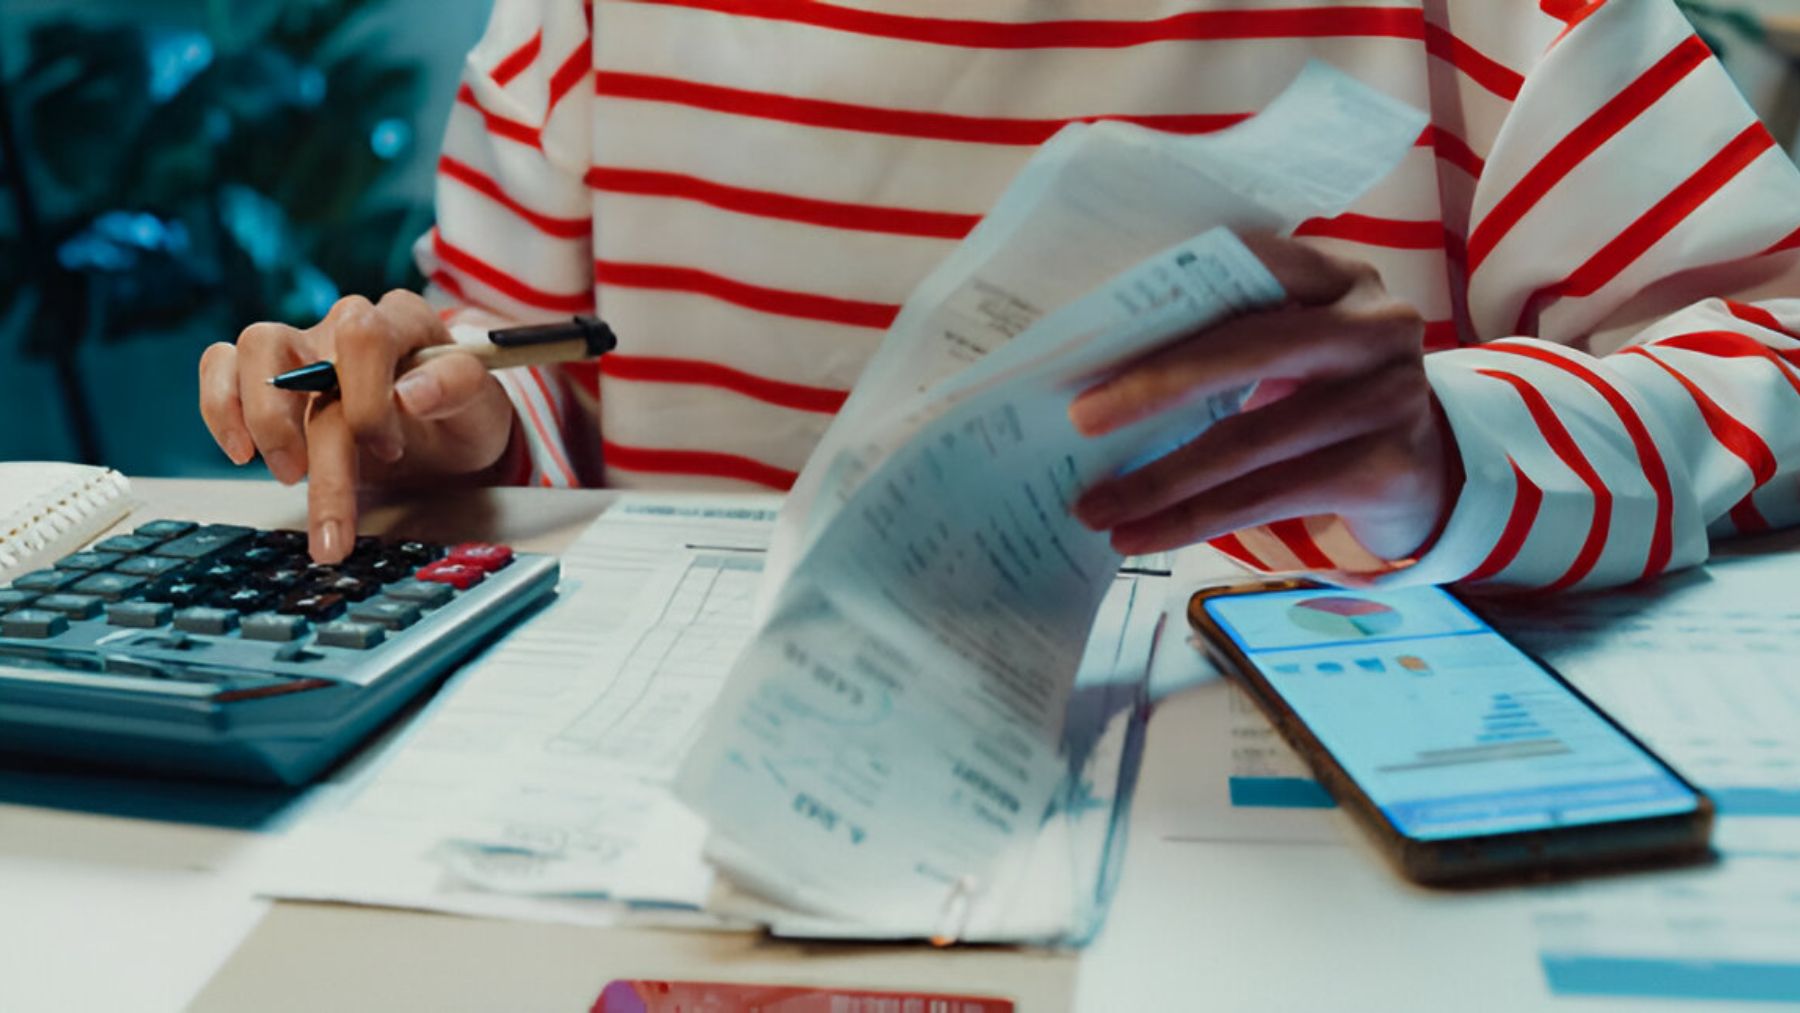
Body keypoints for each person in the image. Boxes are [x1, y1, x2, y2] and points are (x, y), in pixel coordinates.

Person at [199, 0, 1800, 594]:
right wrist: (435, 432)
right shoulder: (587, 27)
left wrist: (1458, 446)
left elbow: (1772, 352)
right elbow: (542, 389)